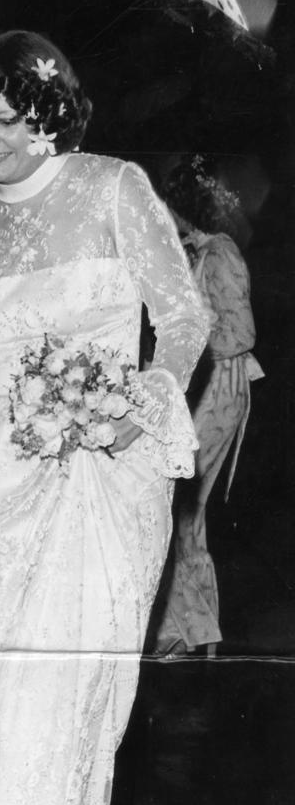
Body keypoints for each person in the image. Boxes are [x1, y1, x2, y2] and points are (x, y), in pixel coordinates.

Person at [0, 30, 209, 805]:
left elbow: (185, 317)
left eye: (6, 120)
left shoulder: (114, 187)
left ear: (48, 113)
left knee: (51, 711)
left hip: (97, 471)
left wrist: (143, 405)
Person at [152, 155, 264, 657]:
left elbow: (239, 333)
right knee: (181, 509)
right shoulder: (194, 251)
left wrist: (186, 343)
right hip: (203, 384)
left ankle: (186, 628)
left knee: (180, 504)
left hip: (217, 385)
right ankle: (192, 627)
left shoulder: (219, 252)